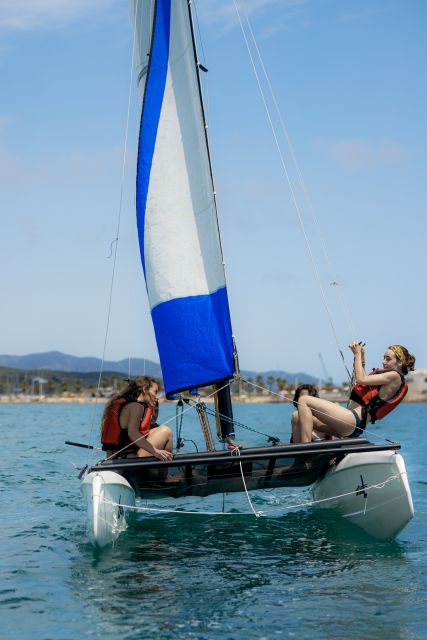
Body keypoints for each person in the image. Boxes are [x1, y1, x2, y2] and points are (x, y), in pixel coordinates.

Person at [291, 343, 415, 443]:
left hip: (351, 421)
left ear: (399, 362)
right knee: (296, 417)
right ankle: (297, 462)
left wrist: (357, 353)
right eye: (383, 358)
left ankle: (304, 454)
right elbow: (365, 383)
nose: (383, 362)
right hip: (348, 425)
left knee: (303, 400)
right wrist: (361, 357)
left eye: (388, 359)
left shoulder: (395, 376)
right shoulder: (389, 377)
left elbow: (361, 379)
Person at [101, 376, 174, 461]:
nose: (157, 397)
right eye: (155, 392)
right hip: (129, 458)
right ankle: (165, 470)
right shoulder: (136, 407)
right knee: (166, 431)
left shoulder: (128, 403)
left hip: (119, 456)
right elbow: (132, 433)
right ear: (145, 389)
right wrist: (155, 451)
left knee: (158, 429)